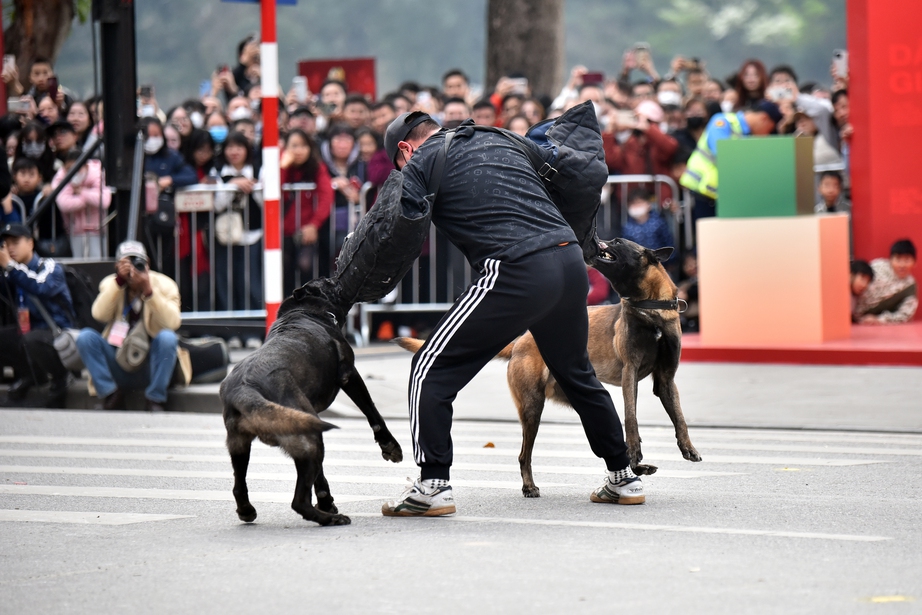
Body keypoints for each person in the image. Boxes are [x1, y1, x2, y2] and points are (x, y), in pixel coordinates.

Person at [379, 111, 643, 517]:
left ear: (405, 149)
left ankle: (432, 485)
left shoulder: (424, 159)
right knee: (577, 374)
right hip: (568, 260)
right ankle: (623, 477)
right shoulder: (500, 137)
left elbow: (400, 229)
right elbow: (569, 183)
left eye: (399, 167)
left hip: (515, 267)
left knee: (428, 366)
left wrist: (359, 281)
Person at [76, 241, 190, 412]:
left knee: (168, 338)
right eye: (126, 263)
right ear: (117, 265)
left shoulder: (165, 285)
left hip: (151, 365)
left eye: (138, 262)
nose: (133, 269)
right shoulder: (111, 284)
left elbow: (172, 323)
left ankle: (155, 399)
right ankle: (111, 393)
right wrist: (119, 283)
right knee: (85, 337)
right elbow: (98, 314)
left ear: (148, 263)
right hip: (119, 360)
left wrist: (149, 291)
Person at [0, 222, 74, 408]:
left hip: (58, 334)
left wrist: (10, 266)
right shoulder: (13, 272)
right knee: (9, 337)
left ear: (31, 243)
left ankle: (60, 379)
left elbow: (39, 286)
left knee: (31, 339)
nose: (10, 248)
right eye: (6, 244)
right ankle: (32, 375)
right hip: (31, 334)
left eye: (15, 242)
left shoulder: (50, 267)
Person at [680, 100, 781, 222]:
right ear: (764, 118)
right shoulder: (722, 122)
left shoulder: (749, 135)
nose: (766, 135)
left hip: (726, 196)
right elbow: (723, 155)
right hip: (702, 194)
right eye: (769, 130)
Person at [279, 129, 333, 292]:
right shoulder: (280, 166)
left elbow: (326, 196)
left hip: (307, 230)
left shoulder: (317, 167)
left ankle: (307, 308)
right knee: (284, 268)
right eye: (294, 146)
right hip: (283, 231)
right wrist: (282, 167)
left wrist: (314, 224)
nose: (299, 150)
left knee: (306, 266)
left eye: (303, 146)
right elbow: (273, 192)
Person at [214, 131, 263, 312]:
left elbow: (265, 204)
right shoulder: (217, 172)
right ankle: (230, 329)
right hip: (224, 236)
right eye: (230, 147)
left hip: (253, 235)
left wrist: (253, 186)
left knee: (251, 282)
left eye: (239, 147)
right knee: (226, 281)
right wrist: (232, 185)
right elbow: (217, 205)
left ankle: (253, 329)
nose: (234, 151)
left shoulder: (259, 170)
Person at [52, 148, 111, 258]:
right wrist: (89, 199)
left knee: (97, 264)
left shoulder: (97, 173)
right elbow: (64, 203)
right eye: (69, 169)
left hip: (97, 231)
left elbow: (105, 200)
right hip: (73, 232)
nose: (73, 172)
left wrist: (81, 192)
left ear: (86, 166)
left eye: (77, 168)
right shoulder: (62, 176)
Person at [854, 240, 918, 324]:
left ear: (914, 262)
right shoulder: (877, 267)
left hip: (866, 324)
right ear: (890, 259)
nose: (902, 265)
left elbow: (905, 314)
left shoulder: (910, 286)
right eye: (898, 259)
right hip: (846, 309)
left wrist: (879, 319)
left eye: (907, 260)